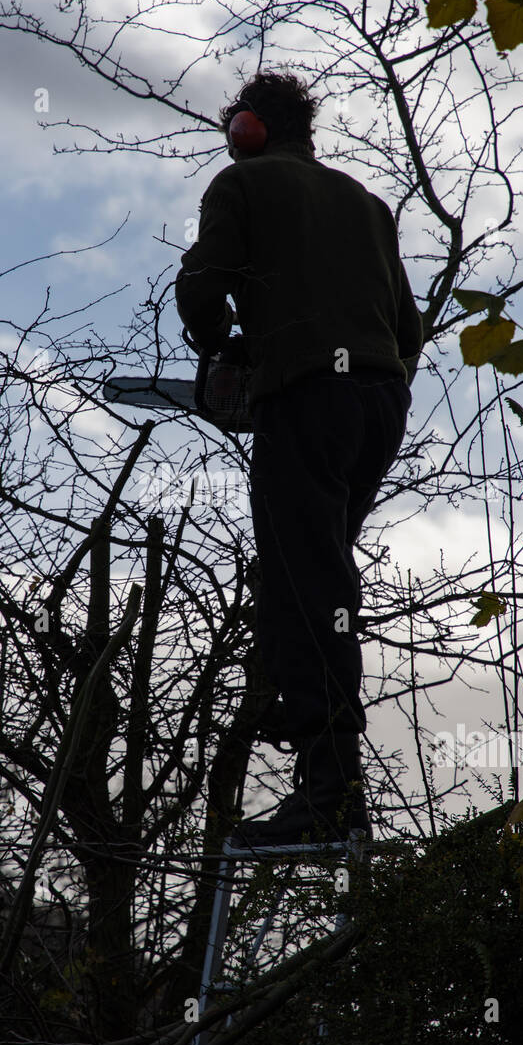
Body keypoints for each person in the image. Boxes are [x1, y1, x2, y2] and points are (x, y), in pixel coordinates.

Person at [174, 70, 423, 848]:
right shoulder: (368, 204)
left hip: (309, 402)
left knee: (307, 585)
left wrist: (223, 346)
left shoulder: (243, 183)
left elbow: (201, 290)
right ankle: (300, 704)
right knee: (308, 572)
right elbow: (408, 332)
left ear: (247, 130)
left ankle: (328, 792)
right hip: (379, 403)